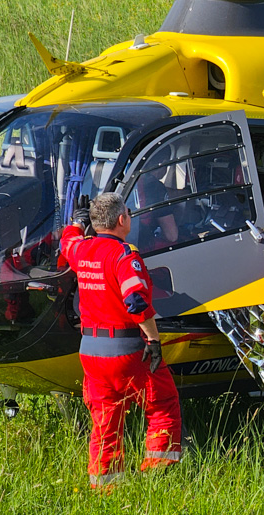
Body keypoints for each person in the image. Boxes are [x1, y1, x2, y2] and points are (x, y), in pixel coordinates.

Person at [60, 193, 182, 488]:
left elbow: (68, 242)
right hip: (126, 351)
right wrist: (153, 341)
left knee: (105, 418)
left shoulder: (81, 251)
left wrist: (77, 222)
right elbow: (137, 303)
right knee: (163, 403)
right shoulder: (124, 255)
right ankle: (158, 472)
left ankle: (105, 485)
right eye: (128, 213)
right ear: (121, 220)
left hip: (90, 352)